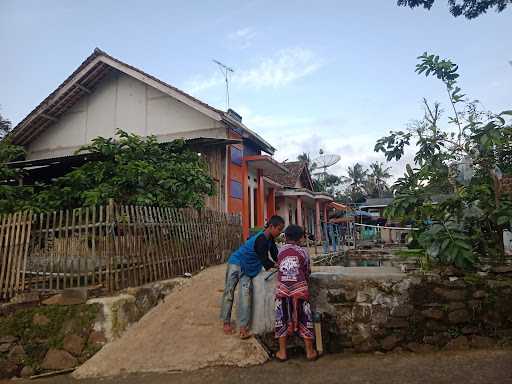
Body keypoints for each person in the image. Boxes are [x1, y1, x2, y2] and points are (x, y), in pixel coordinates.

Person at [220, 215, 285, 339]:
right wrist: (278, 266)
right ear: (271, 227)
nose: (280, 232)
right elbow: (265, 261)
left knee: (245, 295)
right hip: (236, 263)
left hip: (248, 268)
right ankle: (226, 322)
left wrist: (282, 262)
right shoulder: (261, 239)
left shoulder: (270, 239)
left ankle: (243, 327)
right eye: (279, 229)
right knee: (229, 292)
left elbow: (275, 255)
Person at [274, 224, 317, 361]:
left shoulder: (280, 251)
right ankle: (310, 352)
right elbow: (307, 271)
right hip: (300, 290)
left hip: (283, 291)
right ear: (300, 238)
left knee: (281, 319)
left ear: (286, 237)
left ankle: (282, 352)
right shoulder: (303, 252)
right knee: (306, 318)